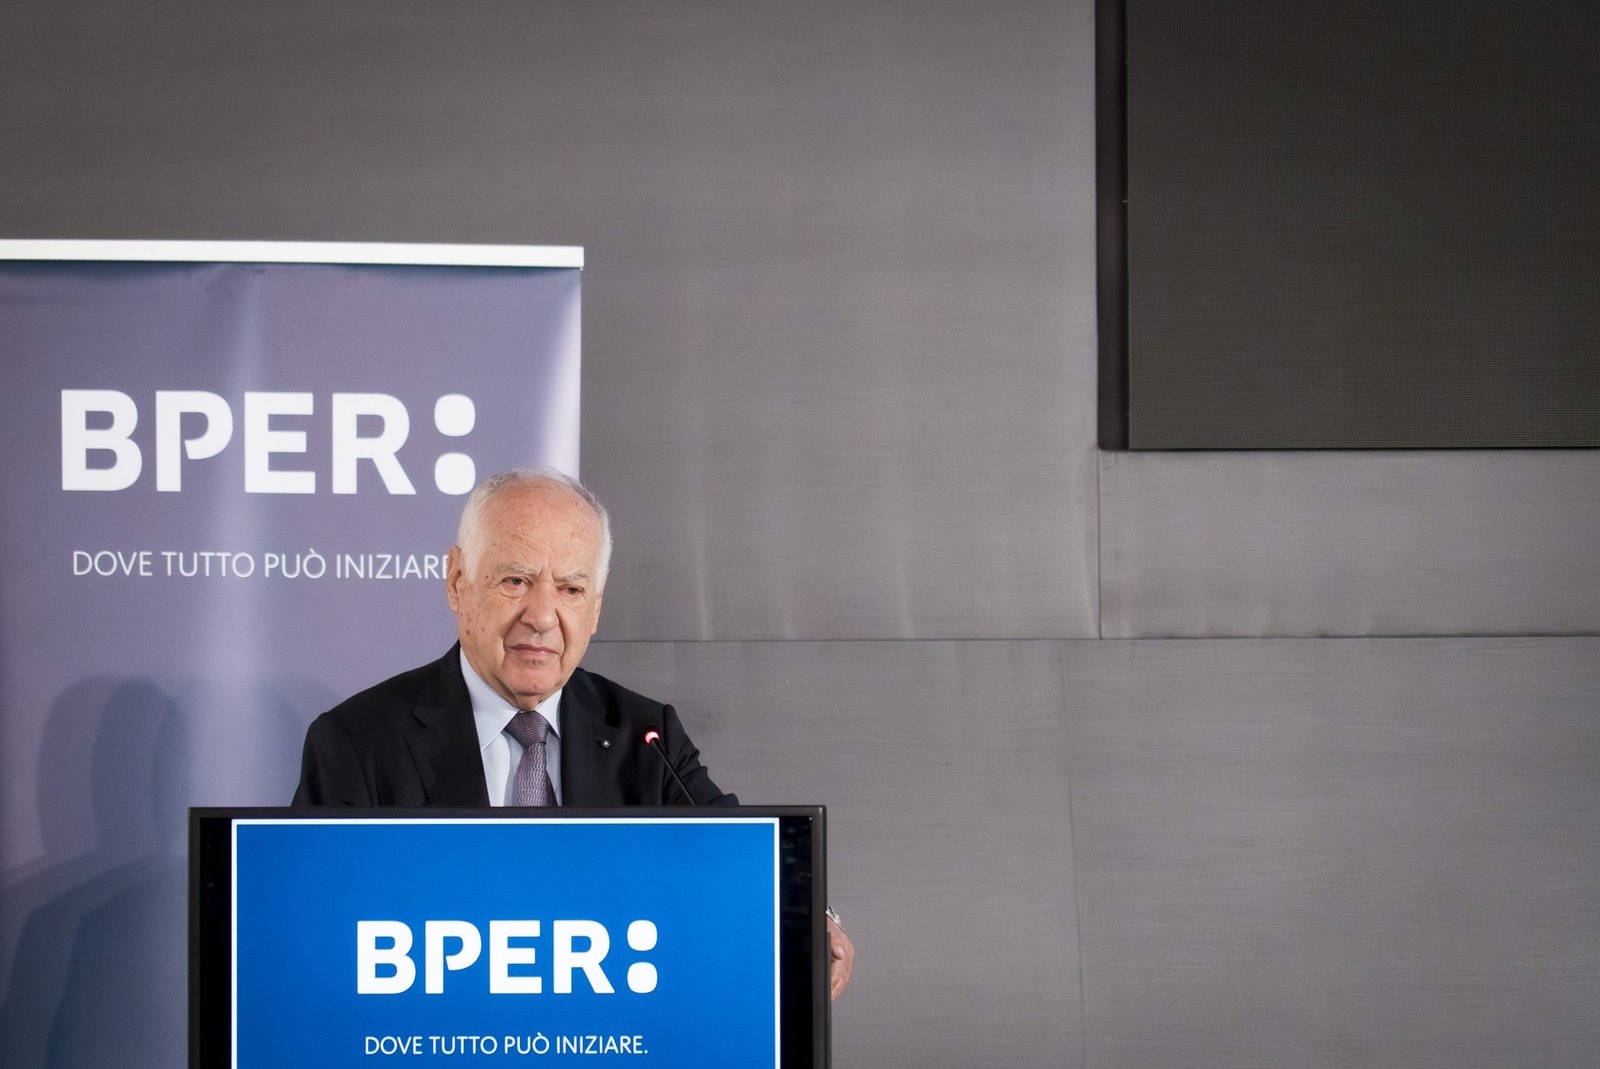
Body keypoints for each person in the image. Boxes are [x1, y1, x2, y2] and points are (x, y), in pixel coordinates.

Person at [294, 468, 853, 997]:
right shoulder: (356, 741)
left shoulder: (646, 735)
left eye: (571, 590)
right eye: (516, 581)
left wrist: (811, 916)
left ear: (596, 609)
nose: (542, 616)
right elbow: (317, 930)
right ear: (458, 582)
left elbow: (737, 856)